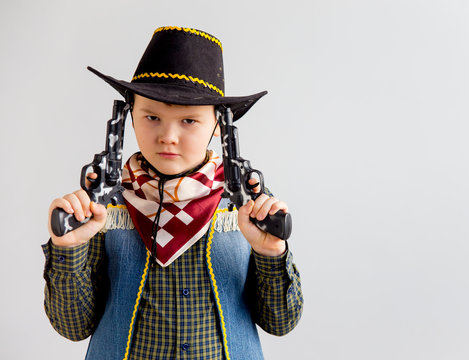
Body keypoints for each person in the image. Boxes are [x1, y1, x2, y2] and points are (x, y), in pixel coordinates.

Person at [42, 26, 303, 360]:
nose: (168, 135)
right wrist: (68, 249)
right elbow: (72, 327)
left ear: (217, 125)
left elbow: (282, 322)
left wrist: (271, 254)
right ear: (129, 118)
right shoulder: (101, 204)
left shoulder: (251, 205)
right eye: (152, 116)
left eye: (189, 121)